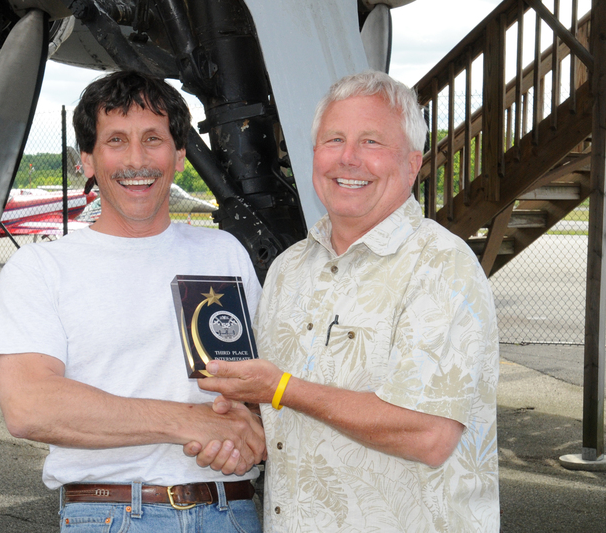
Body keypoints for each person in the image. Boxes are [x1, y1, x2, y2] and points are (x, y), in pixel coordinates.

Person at [193, 70, 500, 532]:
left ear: (412, 164)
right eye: (334, 139)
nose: (349, 157)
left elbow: (428, 434)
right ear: (314, 154)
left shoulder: (440, 265)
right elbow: (285, 410)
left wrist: (280, 389)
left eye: (371, 142)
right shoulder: (289, 269)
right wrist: (245, 423)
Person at [0, 71, 266, 532]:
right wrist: (190, 422)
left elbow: (263, 384)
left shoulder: (224, 253)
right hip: (113, 515)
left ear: (180, 156)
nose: (136, 159)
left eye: (153, 139)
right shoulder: (40, 268)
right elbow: (30, 406)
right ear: (88, 160)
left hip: (231, 511)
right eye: (116, 141)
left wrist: (250, 432)